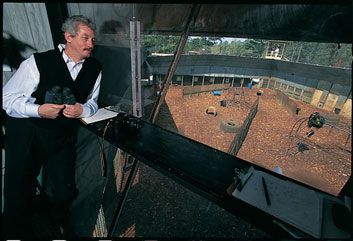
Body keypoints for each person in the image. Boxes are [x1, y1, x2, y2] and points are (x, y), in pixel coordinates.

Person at [2, 15, 102, 237]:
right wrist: (38, 110)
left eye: (93, 40)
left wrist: (82, 110)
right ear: (69, 37)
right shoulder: (37, 62)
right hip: (27, 134)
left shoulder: (95, 68)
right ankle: (15, 232)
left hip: (61, 138)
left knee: (65, 192)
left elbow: (93, 102)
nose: (90, 44)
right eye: (86, 38)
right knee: (17, 195)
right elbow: (6, 99)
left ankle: (49, 225)